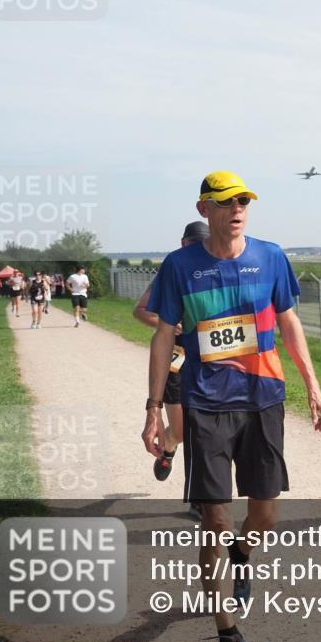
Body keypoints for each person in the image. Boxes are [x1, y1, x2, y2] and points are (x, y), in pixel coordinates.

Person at [142, 171, 321, 642]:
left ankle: (243, 556)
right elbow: (163, 336)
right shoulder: (180, 265)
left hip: (263, 398)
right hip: (205, 403)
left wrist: (313, 385)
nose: (237, 208)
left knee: (264, 516)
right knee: (215, 521)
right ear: (205, 210)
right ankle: (228, 633)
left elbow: (289, 321)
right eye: (226, 202)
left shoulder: (270, 256)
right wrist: (153, 410)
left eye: (243, 200)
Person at [133, 221, 210, 520]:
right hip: (176, 361)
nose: (198, 250)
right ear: (183, 243)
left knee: (202, 434)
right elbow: (140, 310)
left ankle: (198, 501)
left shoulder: (213, 271)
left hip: (206, 362)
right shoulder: (171, 272)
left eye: (203, 244)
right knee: (179, 432)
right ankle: (169, 450)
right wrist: (167, 325)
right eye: (193, 244)